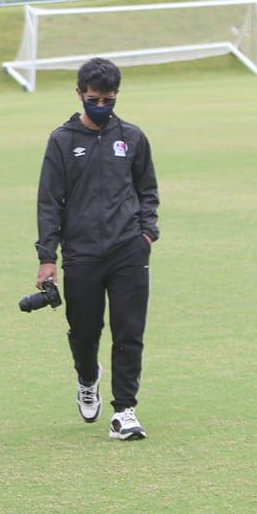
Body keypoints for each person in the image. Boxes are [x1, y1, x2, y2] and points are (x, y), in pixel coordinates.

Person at [35, 57, 159, 440]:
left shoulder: (133, 138)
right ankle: (88, 378)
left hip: (128, 250)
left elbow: (147, 189)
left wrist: (147, 233)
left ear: (117, 96)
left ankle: (125, 411)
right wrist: (46, 257)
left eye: (108, 100)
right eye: (94, 99)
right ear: (79, 94)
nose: (101, 107)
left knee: (129, 331)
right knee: (85, 332)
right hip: (82, 253)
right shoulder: (62, 140)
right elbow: (49, 201)